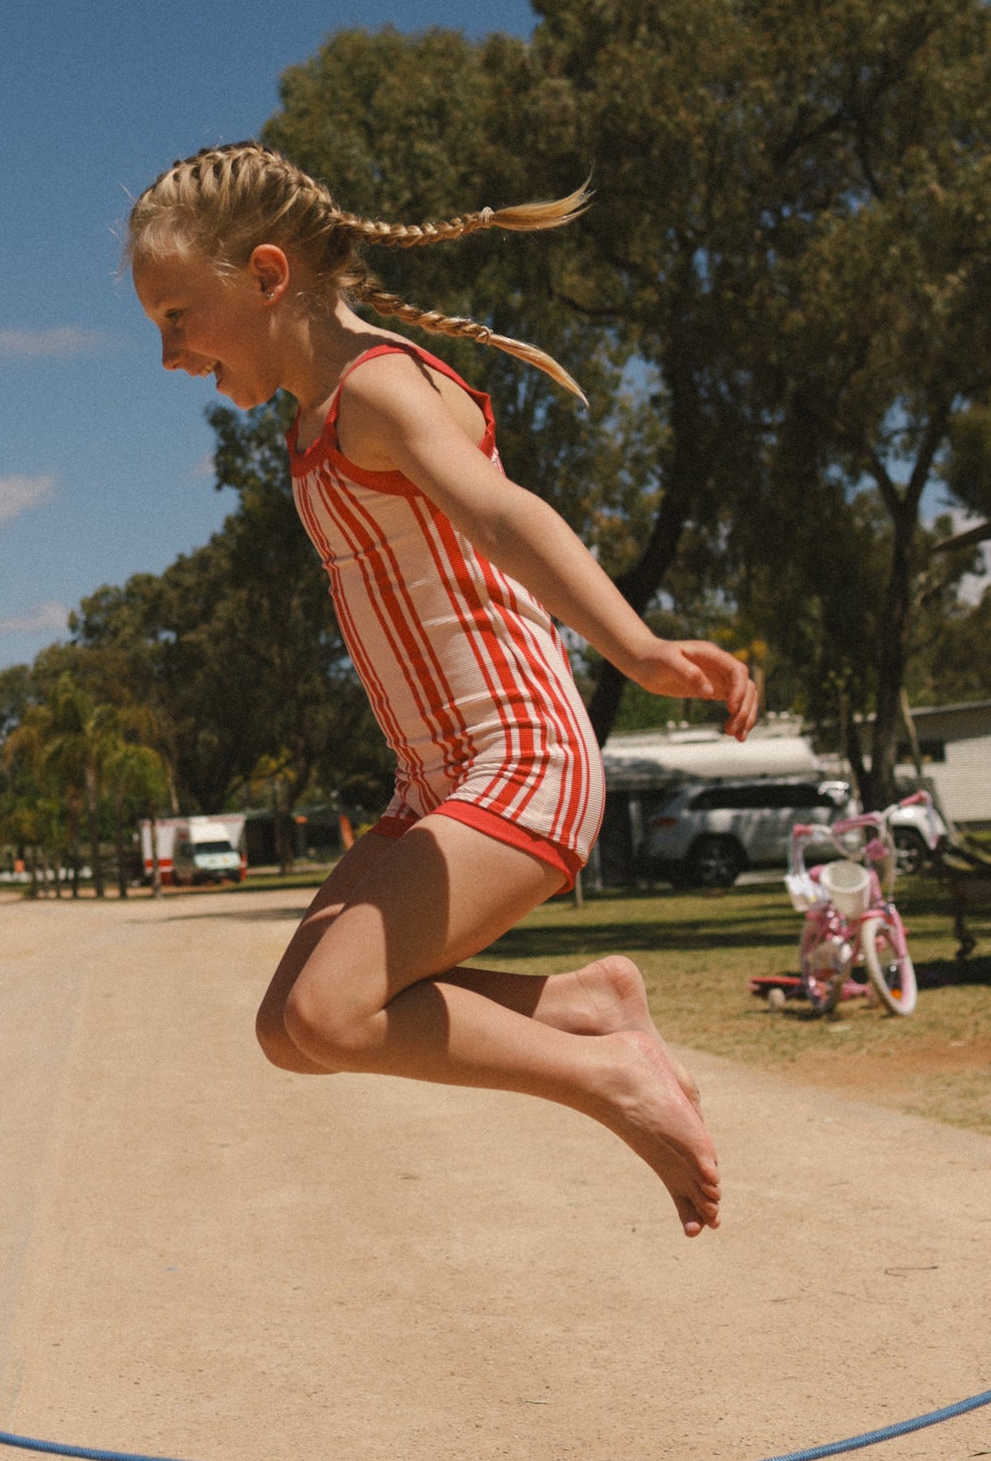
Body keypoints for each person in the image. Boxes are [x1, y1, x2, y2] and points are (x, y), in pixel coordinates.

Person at [129, 144, 758, 1239]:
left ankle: (608, 1078)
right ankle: (589, 1006)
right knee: (290, 1026)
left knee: (333, 1011)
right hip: (434, 781)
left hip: (520, 758)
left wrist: (636, 650)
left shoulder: (379, 386)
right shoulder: (311, 420)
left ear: (266, 275)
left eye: (178, 315)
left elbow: (503, 514)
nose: (168, 353)